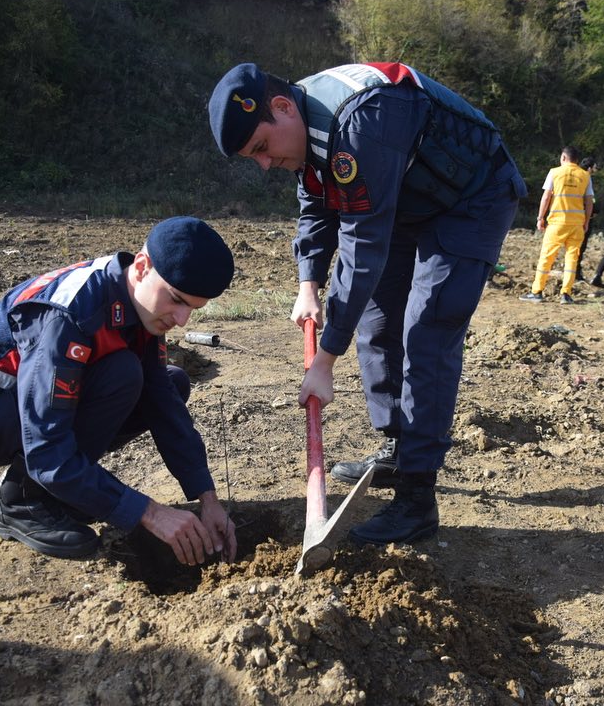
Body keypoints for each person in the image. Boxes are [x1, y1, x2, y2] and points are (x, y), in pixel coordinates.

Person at [208, 62, 526, 546]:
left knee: (427, 328)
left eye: (261, 148)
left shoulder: (362, 121)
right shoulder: (310, 132)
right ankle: (399, 447)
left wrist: (325, 362)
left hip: (472, 198)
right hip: (410, 200)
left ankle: (417, 498)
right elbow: (316, 206)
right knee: (377, 319)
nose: (265, 164)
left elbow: (362, 246)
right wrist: (308, 284)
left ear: (281, 108)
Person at [0, 217, 238, 563]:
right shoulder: (69, 316)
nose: (181, 320)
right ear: (142, 267)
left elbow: (162, 401)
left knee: (169, 383)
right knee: (123, 374)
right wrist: (150, 513)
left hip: (25, 410)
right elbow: (47, 448)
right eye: (176, 300)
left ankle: (62, 494)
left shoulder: (140, 303)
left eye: (192, 309)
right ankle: (20, 501)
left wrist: (207, 497)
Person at [520, 145, 594, 304]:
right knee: (572, 259)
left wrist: (540, 217)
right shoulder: (585, 176)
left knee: (546, 257)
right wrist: (587, 221)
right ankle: (566, 294)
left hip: (557, 223)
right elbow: (589, 201)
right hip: (576, 224)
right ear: (577, 160)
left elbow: (546, 197)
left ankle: (537, 292)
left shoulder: (555, 172)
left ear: (563, 158)